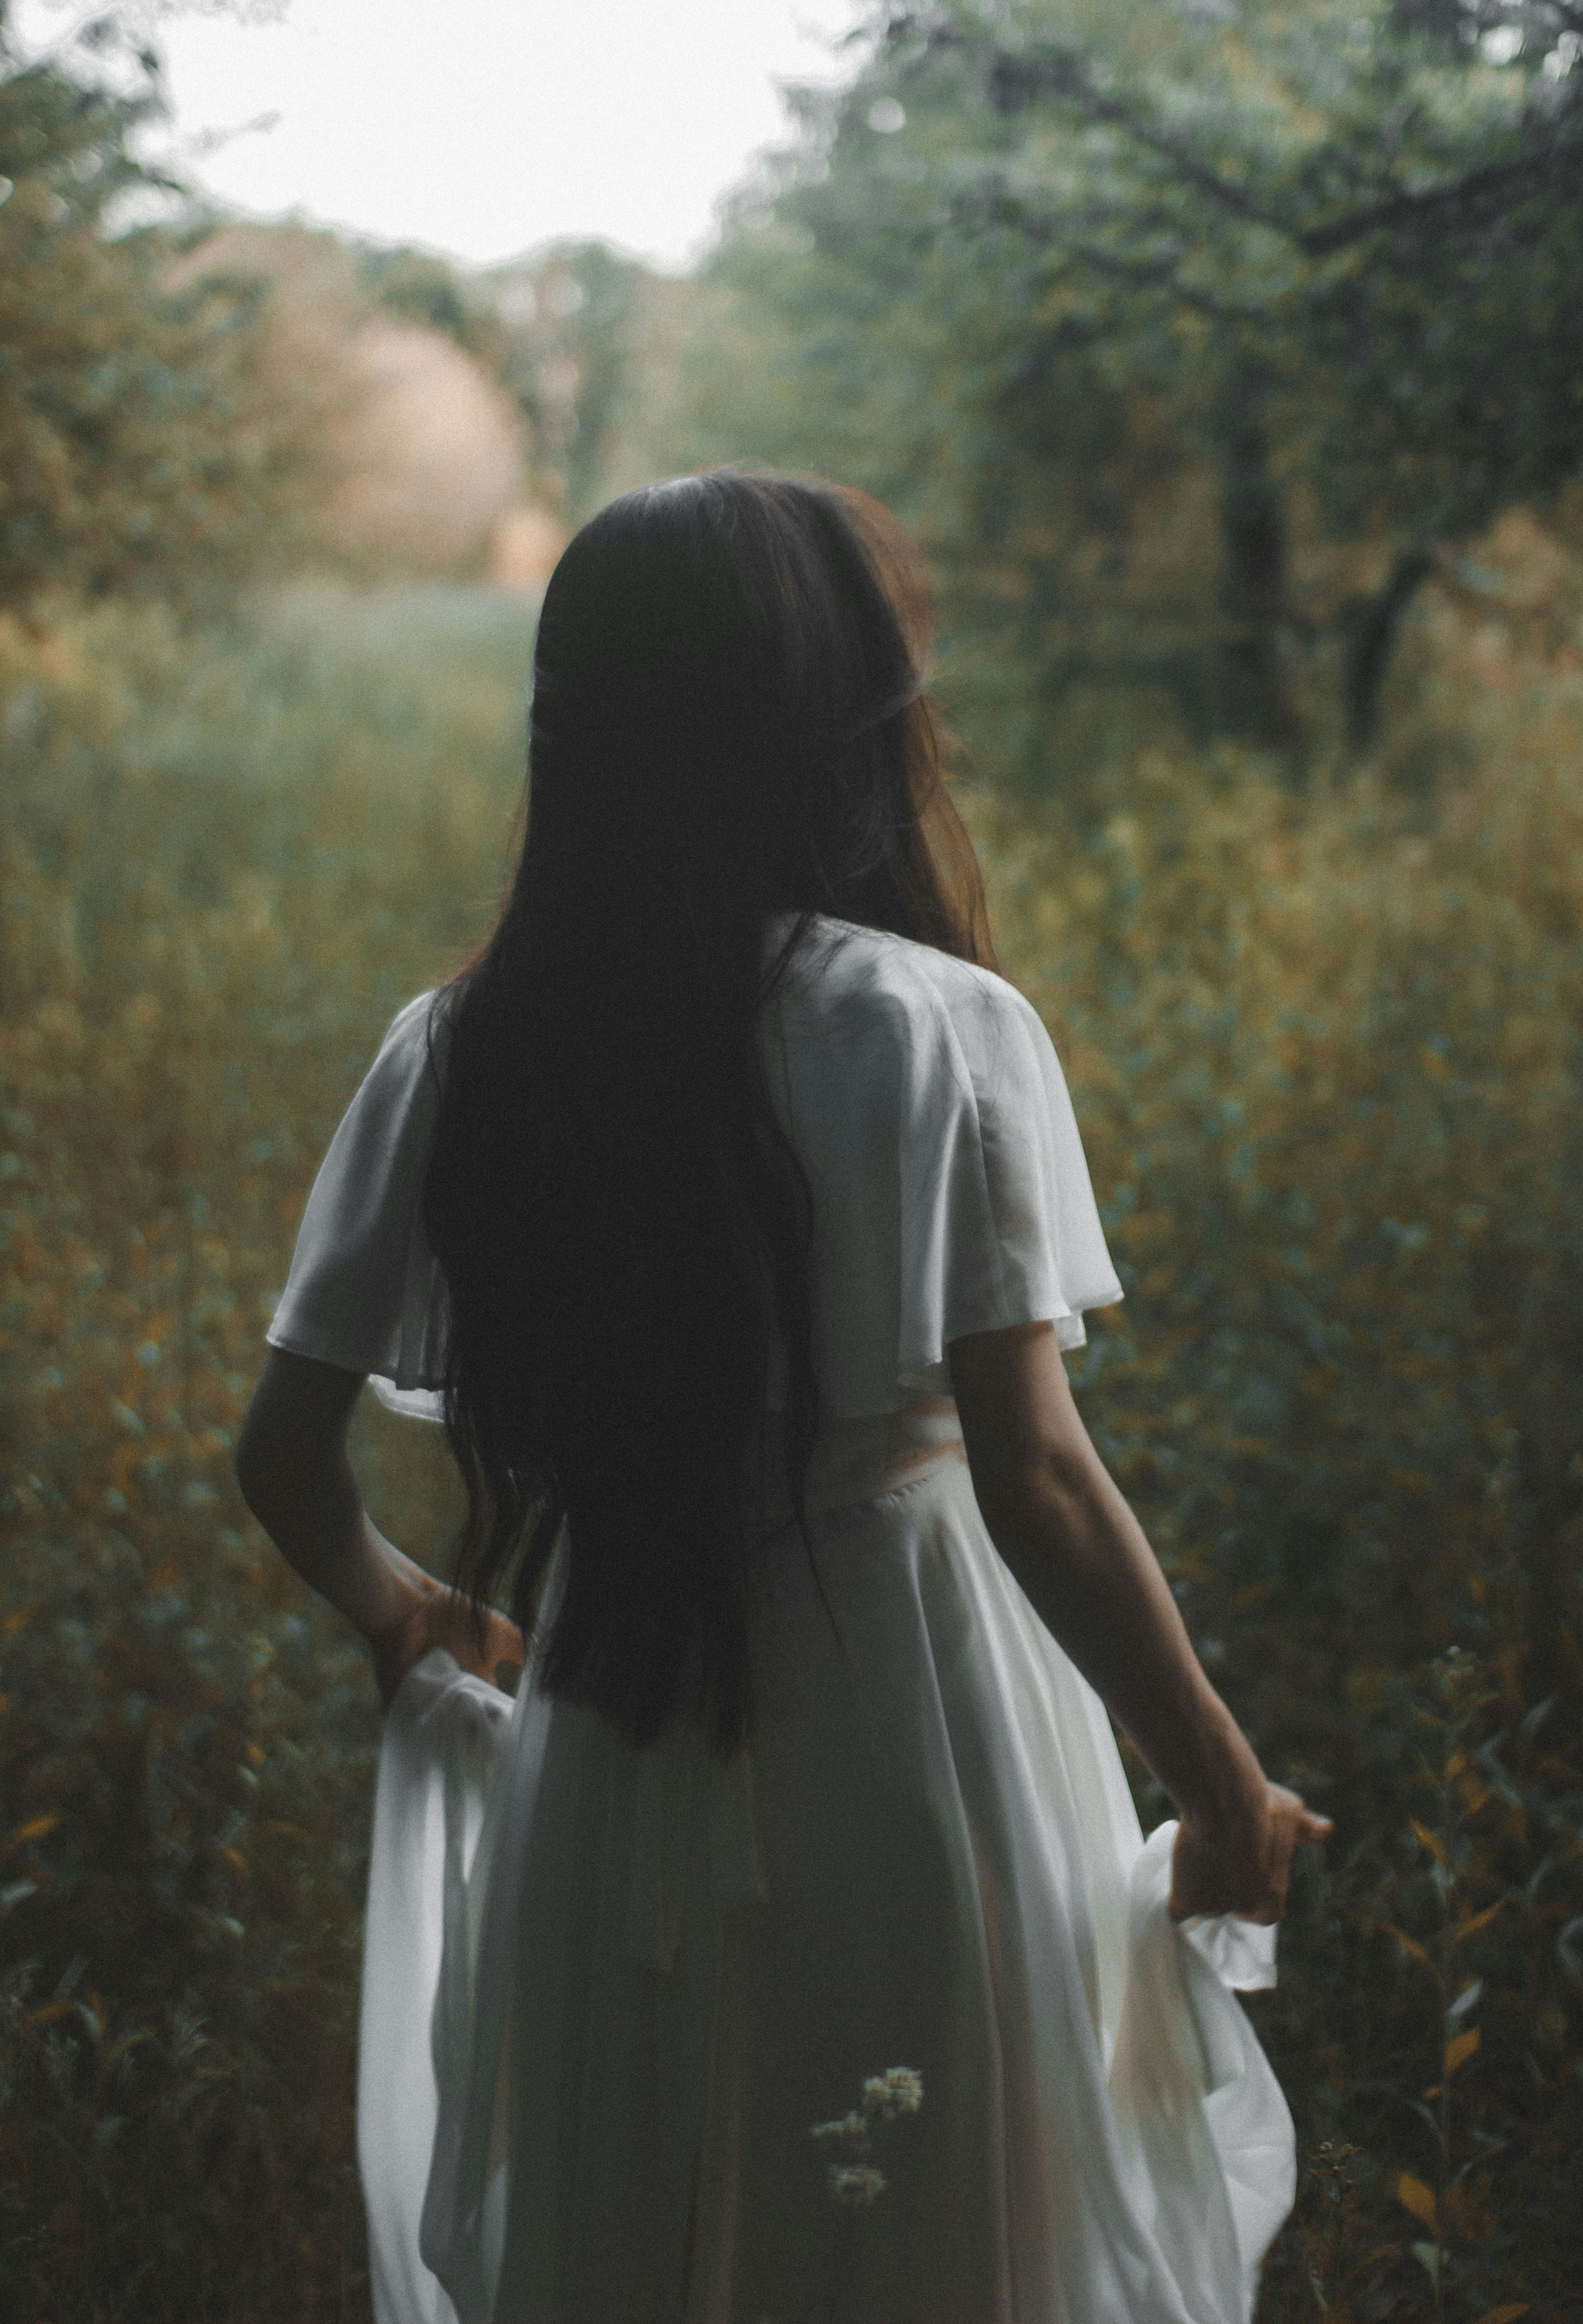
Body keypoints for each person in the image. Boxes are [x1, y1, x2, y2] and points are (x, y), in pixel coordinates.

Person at [235, 470, 1331, 2324]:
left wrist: (408, 1613)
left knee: (654, 2220)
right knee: (940, 2222)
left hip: (608, 1723)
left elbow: (283, 1462)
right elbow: (1037, 1483)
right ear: (831, 720)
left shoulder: (463, 1046)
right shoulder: (931, 1029)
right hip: (915, 1719)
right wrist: (1218, 1784)